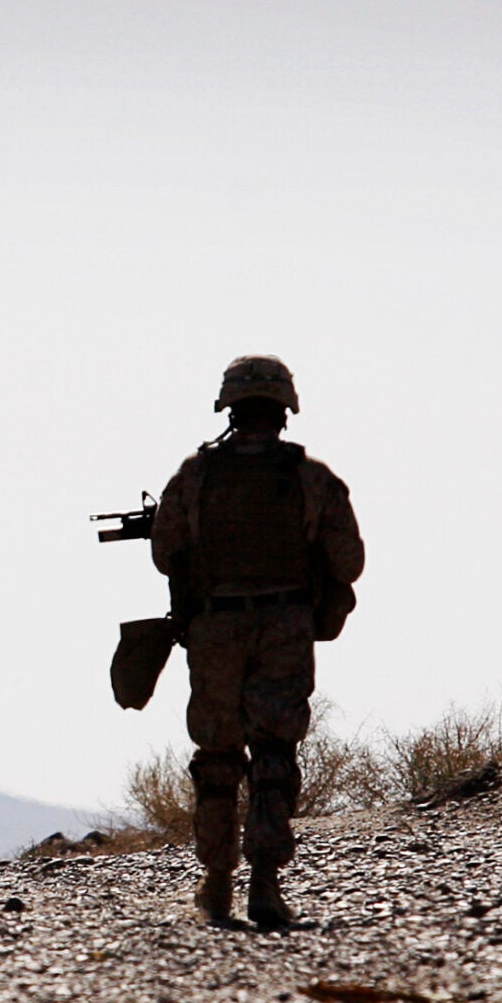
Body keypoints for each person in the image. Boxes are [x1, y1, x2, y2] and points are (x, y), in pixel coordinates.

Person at [151, 356, 365, 929]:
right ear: (286, 408)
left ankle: (217, 883)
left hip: (215, 630)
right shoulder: (311, 478)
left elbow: (164, 552)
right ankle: (265, 884)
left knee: (218, 756)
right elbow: (349, 560)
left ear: (229, 406)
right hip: (284, 628)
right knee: (273, 755)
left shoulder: (195, 476)